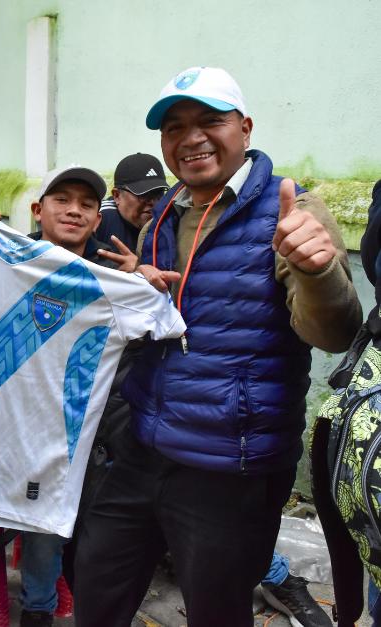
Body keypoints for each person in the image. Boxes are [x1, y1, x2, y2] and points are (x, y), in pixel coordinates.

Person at [71, 66, 362, 627]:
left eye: (210, 121)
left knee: (218, 611)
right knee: (96, 590)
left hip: (230, 465)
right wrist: (137, 289)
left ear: (245, 128)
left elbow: (334, 333)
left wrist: (320, 270)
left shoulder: (293, 211)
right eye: (174, 127)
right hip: (143, 444)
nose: (191, 137)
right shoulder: (162, 214)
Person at [18, 166, 114, 627]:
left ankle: (89, 603)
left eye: (87, 204)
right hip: (28, 421)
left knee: (97, 528)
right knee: (40, 523)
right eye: (62, 200)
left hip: (95, 424)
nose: (74, 210)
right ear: (38, 210)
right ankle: (38, 608)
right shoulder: (14, 264)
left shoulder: (113, 274)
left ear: (98, 220)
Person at [96, 152, 169, 252]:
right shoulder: (99, 218)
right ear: (117, 196)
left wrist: (136, 265)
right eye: (143, 194)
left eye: (159, 193)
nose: (153, 202)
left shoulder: (171, 218)